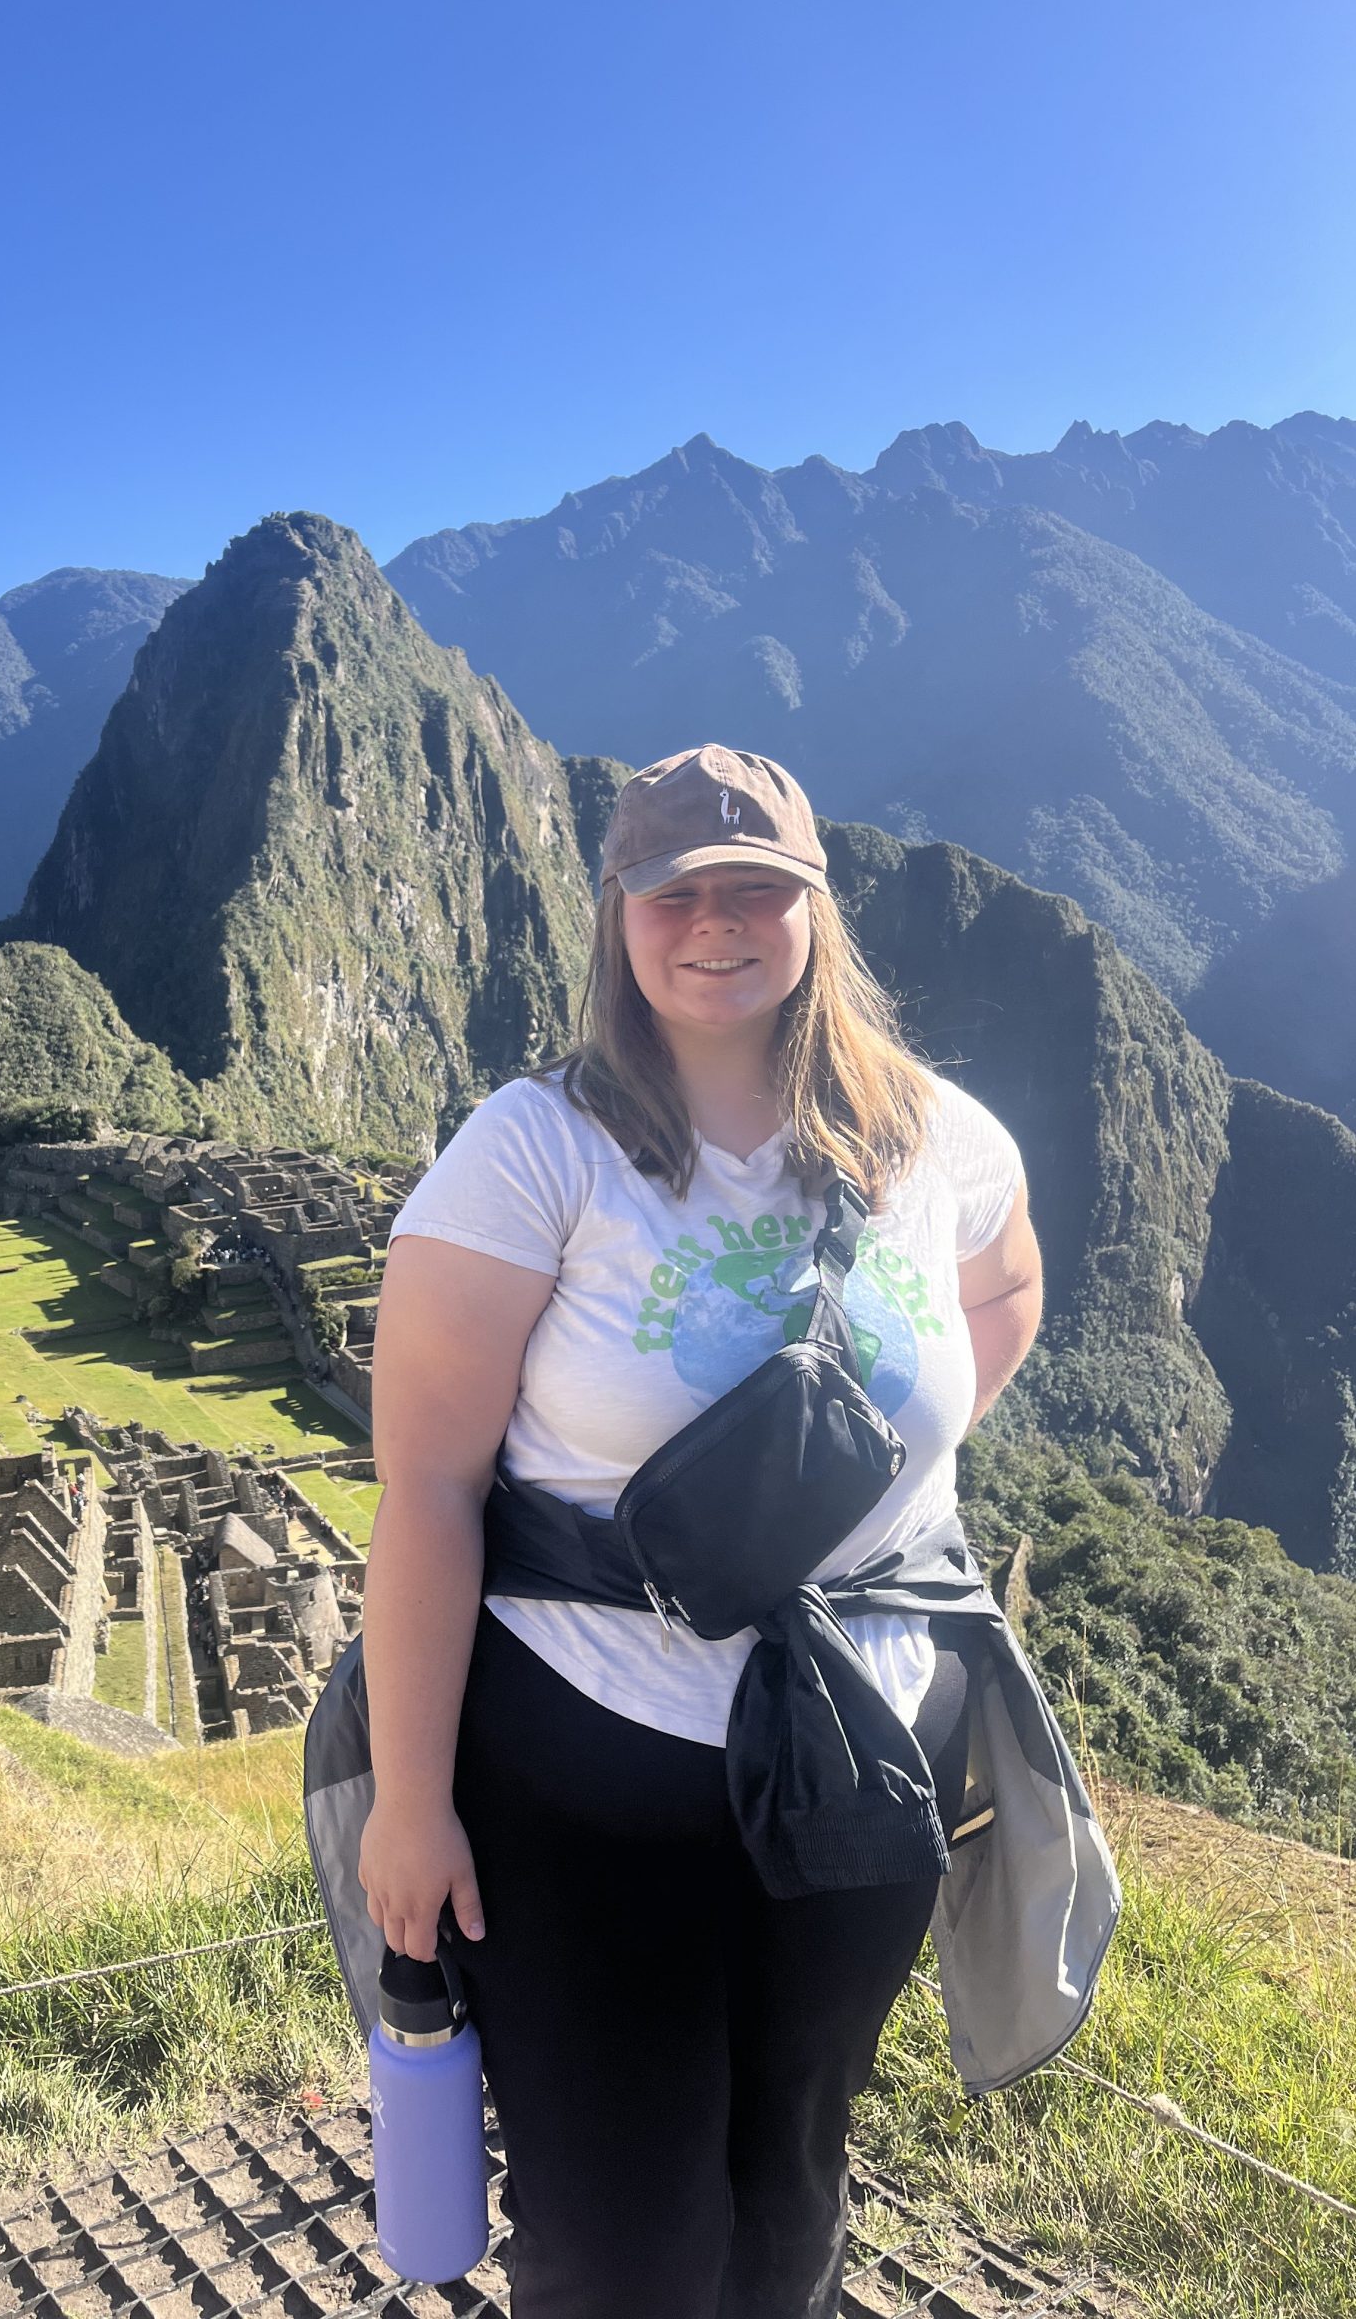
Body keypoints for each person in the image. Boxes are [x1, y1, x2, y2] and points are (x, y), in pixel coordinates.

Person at [347, 745, 1088, 2319]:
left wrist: (880, 1502)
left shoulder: (939, 1141)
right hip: (584, 1778)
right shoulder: (536, 1153)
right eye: (676, 892)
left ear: (819, 911)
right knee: (621, 2242)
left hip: (863, 1777)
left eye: (761, 889)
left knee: (793, 2191)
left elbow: (1007, 1288)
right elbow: (426, 1486)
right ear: (619, 913)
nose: (716, 923)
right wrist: (408, 1804)